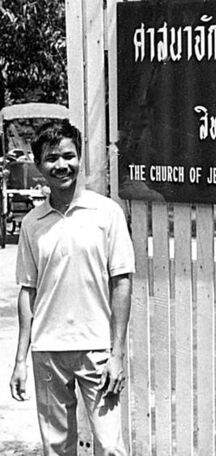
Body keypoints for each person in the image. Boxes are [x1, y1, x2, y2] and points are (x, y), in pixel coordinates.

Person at [9, 119, 135, 456]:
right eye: (51, 158)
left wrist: (117, 353)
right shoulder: (32, 223)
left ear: (79, 158)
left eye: (68, 156)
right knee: (57, 448)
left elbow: (121, 281)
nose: (61, 165)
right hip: (48, 350)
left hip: (97, 350)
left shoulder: (107, 213)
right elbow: (28, 292)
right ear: (38, 166)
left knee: (110, 447)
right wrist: (20, 359)